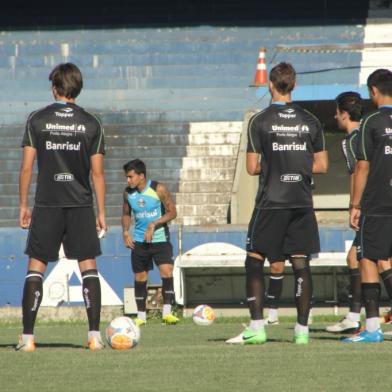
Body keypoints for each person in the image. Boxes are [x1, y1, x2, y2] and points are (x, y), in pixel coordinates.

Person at [226, 62, 328, 345]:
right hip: (301, 201)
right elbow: (322, 165)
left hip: (271, 201)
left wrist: (274, 164)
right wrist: (297, 163)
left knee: (255, 259)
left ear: (271, 84)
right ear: (293, 85)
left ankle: (257, 327)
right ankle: (302, 333)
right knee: (300, 263)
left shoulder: (260, 121)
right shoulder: (311, 121)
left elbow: (250, 167)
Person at [17, 63, 107, 351]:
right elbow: (98, 174)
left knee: (36, 267)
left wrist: (22, 204)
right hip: (81, 203)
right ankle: (94, 336)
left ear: (54, 87)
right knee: (88, 266)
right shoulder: (92, 123)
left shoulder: (37, 119)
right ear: (77, 88)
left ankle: (28, 338)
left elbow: (27, 167)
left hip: (47, 203)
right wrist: (102, 212)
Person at [344, 68, 392, 343]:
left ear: (374, 91)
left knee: (367, 258)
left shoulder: (371, 121)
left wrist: (355, 204)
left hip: (377, 203)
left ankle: (372, 327)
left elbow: (362, 167)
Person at [121, 159, 179, 326]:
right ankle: (141, 316)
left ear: (141, 176)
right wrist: (125, 231)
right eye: (127, 177)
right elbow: (126, 214)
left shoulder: (158, 189)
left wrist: (154, 223)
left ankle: (167, 313)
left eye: (131, 177)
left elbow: (172, 212)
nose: (128, 180)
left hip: (160, 238)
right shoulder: (127, 193)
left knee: (167, 272)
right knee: (140, 276)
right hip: (139, 241)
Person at [326, 92, 364, 333]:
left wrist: (354, 206)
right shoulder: (374, 133)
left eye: (337, 111)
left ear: (344, 114)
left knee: (362, 260)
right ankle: (355, 316)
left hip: (373, 206)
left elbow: (356, 173)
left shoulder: (350, 141)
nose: (335, 116)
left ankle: (356, 318)